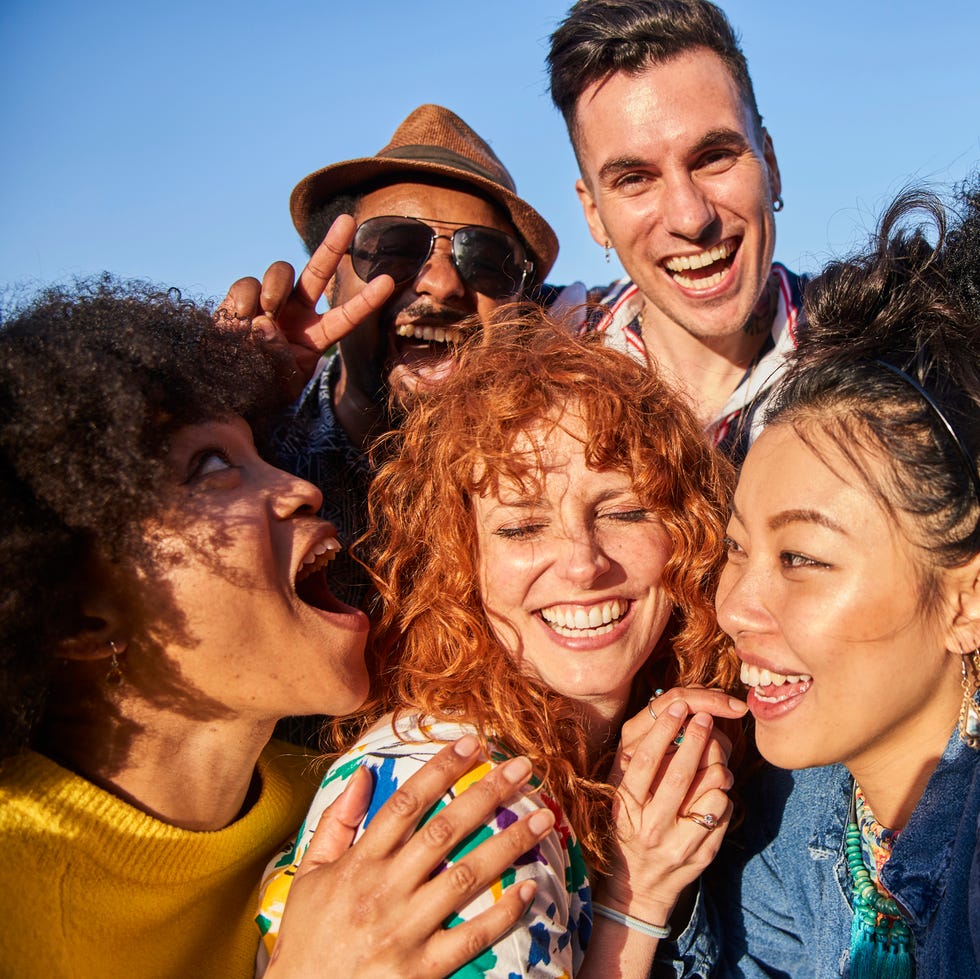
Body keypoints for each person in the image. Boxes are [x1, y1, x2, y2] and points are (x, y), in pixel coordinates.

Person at [0, 277, 561, 979]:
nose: (302, 486)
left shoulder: (338, 801)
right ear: (78, 612)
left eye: (265, 452)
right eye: (212, 466)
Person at [256, 310, 747, 977]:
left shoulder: (584, 761)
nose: (582, 563)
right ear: (462, 564)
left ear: (689, 536)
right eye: (521, 527)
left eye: (625, 510)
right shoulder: (475, 813)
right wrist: (638, 900)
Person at [703, 183, 980, 975]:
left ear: (967, 597)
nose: (734, 606)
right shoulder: (803, 826)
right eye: (736, 547)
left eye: (803, 558)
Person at [227, 103, 559, 607]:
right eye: (395, 248)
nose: (443, 284)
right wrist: (229, 411)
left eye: (486, 260)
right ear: (332, 282)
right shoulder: (258, 458)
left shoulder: (563, 470)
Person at [547, 0, 805, 464]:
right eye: (635, 180)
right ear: (593, 214)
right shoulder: (537, 359)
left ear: (770, 164)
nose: (690, 218)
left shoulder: (884, 354)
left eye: (713, 158)